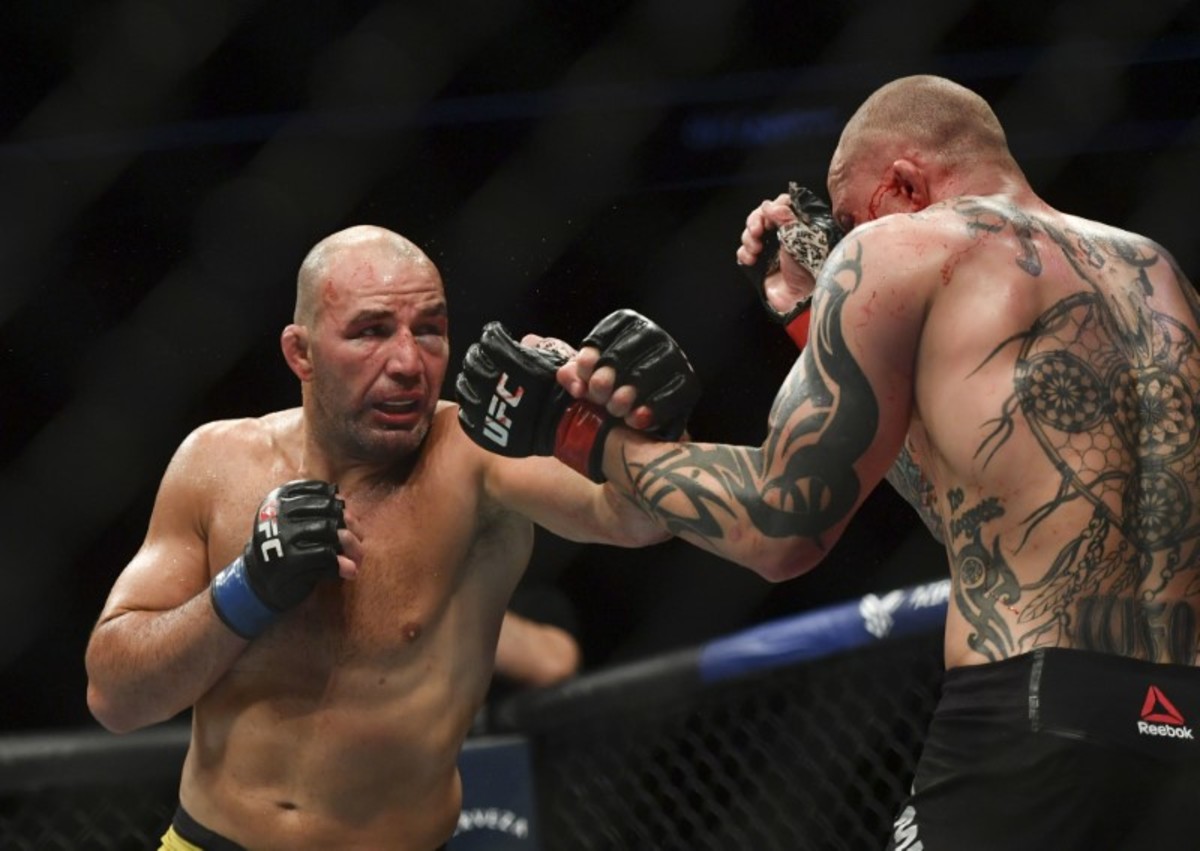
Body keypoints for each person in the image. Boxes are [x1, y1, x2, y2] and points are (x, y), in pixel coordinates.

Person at [456, 75, 1200, 848]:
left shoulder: (899, 244)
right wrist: (814, 322)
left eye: (846, 219)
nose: (843, 242)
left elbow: (780, 527)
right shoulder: (1155, 273)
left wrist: (585, 437)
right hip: (1182, 727)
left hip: (1032, 721)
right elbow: (978, 510)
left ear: (904, 182)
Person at [83, 224, 697, 850]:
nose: (408, 364)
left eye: (429, 330)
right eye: (371, 332)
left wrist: (648, 427)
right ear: (301, 353)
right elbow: (115, 697)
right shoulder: (215, 462)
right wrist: (247, 590)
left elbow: (638, 519)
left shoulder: (480, 454)